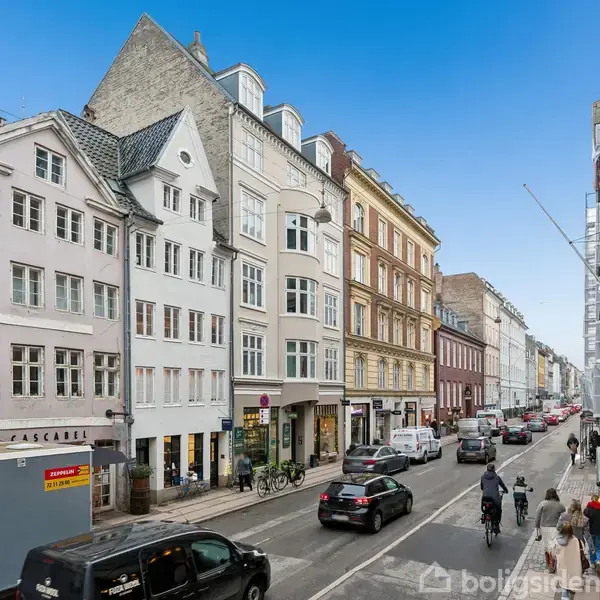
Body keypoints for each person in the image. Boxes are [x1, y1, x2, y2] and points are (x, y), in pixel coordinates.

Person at [535, 488, 566, 573]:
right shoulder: (560, 505)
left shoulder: (543, 504)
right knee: (553, 545)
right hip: (555, 528)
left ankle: (548, 561)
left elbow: (538, 516)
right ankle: (552, 563)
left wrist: (537, 526)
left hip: (544, 527)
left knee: (546, 544)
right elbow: (563, 517)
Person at [553, 521, 584, 600]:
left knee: (563, 578)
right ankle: (572, 590)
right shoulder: (577, 541)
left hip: (563, 564)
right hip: (574, 564)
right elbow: (583, 550)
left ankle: (564, 595)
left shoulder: (558, 541)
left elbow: (554, 553)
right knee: (572, 576)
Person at [558, 499, 593, 567]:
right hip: (579, 543)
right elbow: (587, 535)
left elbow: (558, 527)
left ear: (571, 507)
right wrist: (592, 547)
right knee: (578, 561)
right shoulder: (584, 520)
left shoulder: (564, 516)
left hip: (567, 541)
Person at [480, 463, 509, 534]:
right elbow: (502, 485)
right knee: (498, 509)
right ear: (493, 469)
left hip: (485, 498)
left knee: (486, 508)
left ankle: (484, 517)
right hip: (494, 499)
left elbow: (482, 487)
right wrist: (506, 490)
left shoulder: (482, 477)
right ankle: (496, 524)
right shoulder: (497, 477)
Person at [583, 493, 600, 567]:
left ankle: (592, 562)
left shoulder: (588, 509)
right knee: (598, 547)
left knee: (591, 546)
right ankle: (598, 560)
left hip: (590, 531)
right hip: (599, 531)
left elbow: (584, 519)